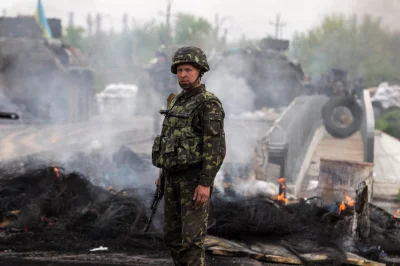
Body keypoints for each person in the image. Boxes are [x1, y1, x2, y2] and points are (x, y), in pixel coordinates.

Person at [151, 46, 226, 266]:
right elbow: (169, 139)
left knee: (192, 241)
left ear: (199, 71)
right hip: (172, 178)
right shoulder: (175, 101)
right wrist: (163, 173)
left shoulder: (208, 103)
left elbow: (215, 147)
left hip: (193, 180)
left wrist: (205, 183)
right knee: (173, 237)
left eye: (188, 70)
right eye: (180, 70)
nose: (183, 74)